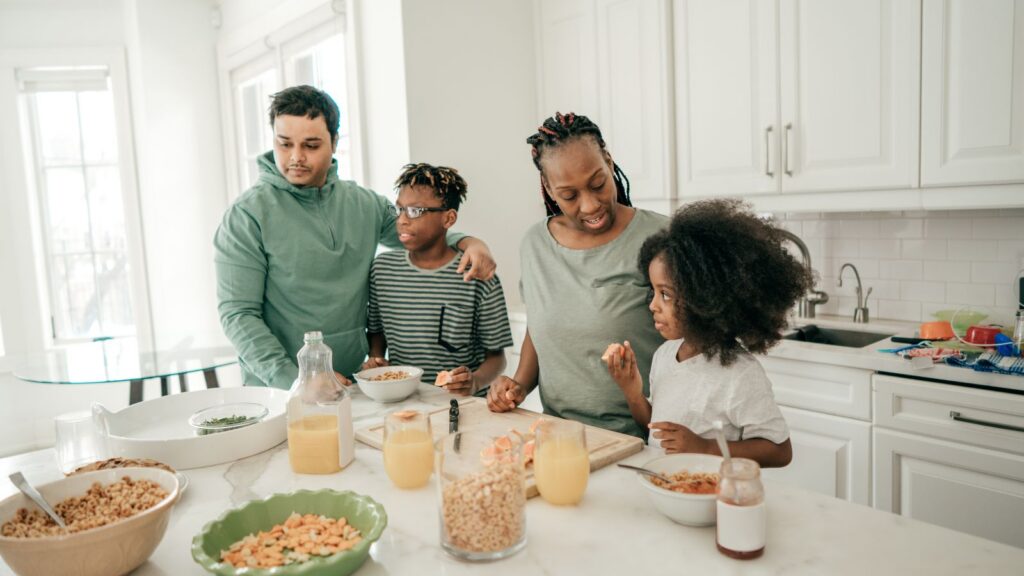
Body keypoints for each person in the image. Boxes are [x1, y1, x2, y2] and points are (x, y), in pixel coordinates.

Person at [214, 85, 496, 389]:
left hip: (357, 385)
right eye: (284, 144)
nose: (296, 157)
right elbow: (238, 314)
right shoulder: (246, 215)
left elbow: (419, 234)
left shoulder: (366, 204)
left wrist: (468, 242)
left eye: (311, 145)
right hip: (282, 390)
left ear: (334, 142)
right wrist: (298, 379)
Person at [486, 112, 669, 439]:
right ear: (548, 188)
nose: (590, 205)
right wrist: (518, 384)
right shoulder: (535, 244)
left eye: (598, 184)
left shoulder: (660, 237)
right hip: (558, 436)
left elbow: (693, 342)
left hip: (641, 439)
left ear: (610, 163)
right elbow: (539, 325)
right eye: (569, 195)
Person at [604, 199, 809, 467]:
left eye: (665, 294)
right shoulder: (665, 355)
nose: (652, 305)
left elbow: (780, 451)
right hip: (667, 487)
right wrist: (632, 393)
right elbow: (658, 433)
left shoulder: (740, 374)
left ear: (704, 298)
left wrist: (706, 447)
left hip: (713, 496)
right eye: (652, 291)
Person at [362, 163, 514, 395]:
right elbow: (376, 333)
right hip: (404, 400)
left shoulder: (477, 275)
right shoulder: (382, 270)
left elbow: (497, 359)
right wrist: (375, 359)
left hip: (463, 406)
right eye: (399, 209)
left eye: (415, 211)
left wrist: (473, 382)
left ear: (448, 218)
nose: (402, 220)